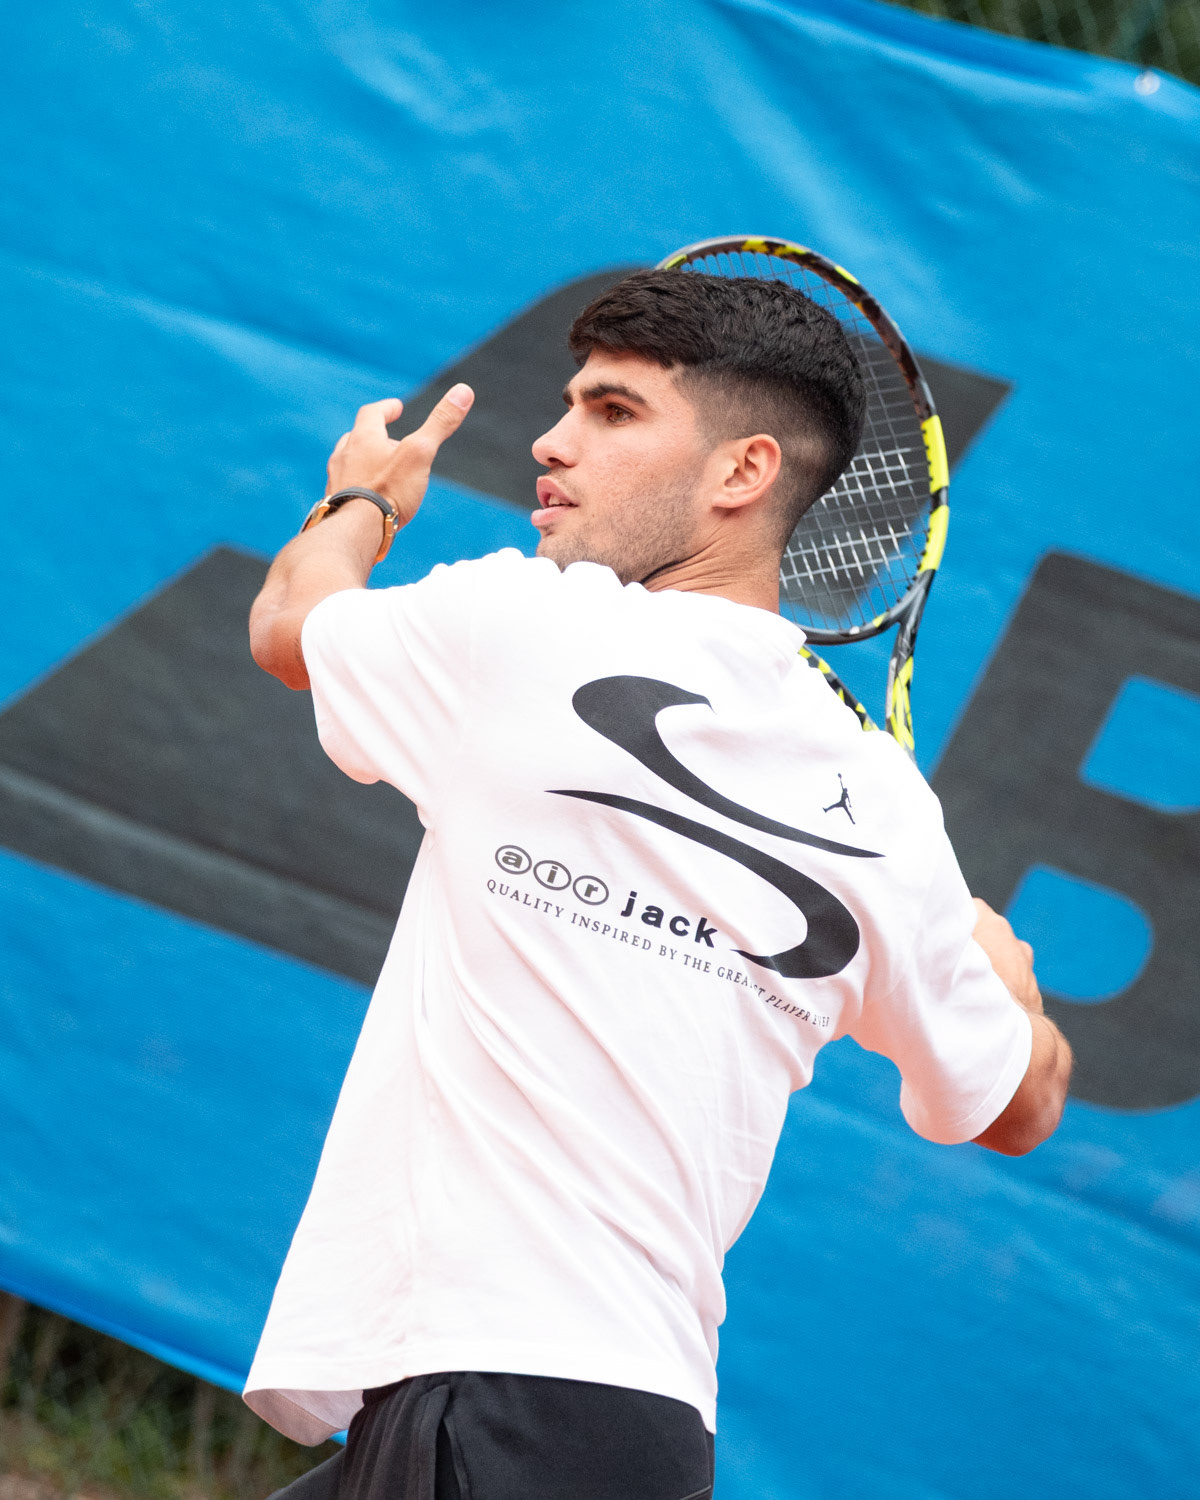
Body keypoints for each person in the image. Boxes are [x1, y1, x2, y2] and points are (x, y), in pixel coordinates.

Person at [244, 271, 1072, 1500]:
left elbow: (289, 623)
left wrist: (362, 497)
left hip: (509, 1408)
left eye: (614, 411)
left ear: (743, 472)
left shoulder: (518, 626)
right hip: (617, 1427)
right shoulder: (891, 816)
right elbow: (1019, 1104)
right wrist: (1017, 995)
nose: (552, 439)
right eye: (571, 403)